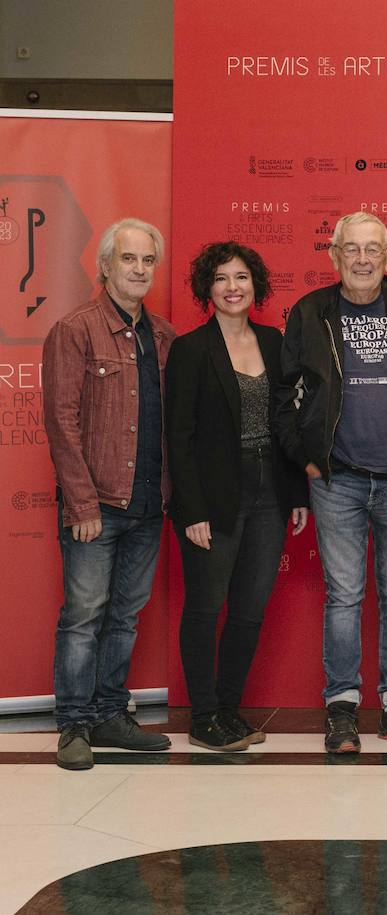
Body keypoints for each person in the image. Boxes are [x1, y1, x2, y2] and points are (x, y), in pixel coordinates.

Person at [274, 212, 387, 754]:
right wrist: (308, 460)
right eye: (351, 249)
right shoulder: (310, 312)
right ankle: (341, 709)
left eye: (372, 250)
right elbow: (285, 394)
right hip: (337, 479)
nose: (362, 259)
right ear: (334, 256)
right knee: (344, 597)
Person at [42, 217, 175, 770]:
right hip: (96, 505)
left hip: (148, 504)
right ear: (105, 266)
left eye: (147, 261)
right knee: (84, 616)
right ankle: (73, 726)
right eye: (129, 259)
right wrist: (81, 505)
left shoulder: (164, 336)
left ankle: (109, 714)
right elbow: (61, 420)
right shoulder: (76, 330)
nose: (140, 269)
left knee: (125, 615)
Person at [166, 242, 310, 751]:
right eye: (222, 278)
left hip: (270, 490)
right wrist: (192, 509)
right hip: (213, 497)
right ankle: (203, 715)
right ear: (208, 289)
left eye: (242, 277)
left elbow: (284, 425)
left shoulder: (273, 343)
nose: (233, 287)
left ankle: (228, 710)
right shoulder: (190, 349)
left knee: (249, 610)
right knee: (206, 608)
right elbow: (178, 437)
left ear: (256, 286)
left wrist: (297, 493)